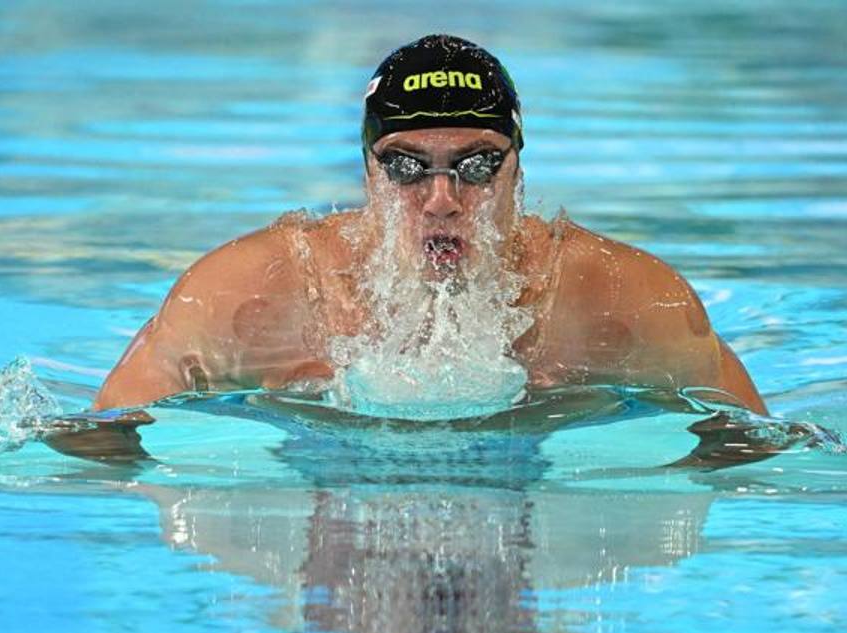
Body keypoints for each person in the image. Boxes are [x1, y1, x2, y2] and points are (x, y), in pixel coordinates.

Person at [89, 34, 767, 421]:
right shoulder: (252, 295)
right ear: (366, 174)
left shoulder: (622, 301)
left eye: (475, 166)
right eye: (406, 167)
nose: (441, 199)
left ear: (517, 173)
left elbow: (753, 447)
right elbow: (99, 444)